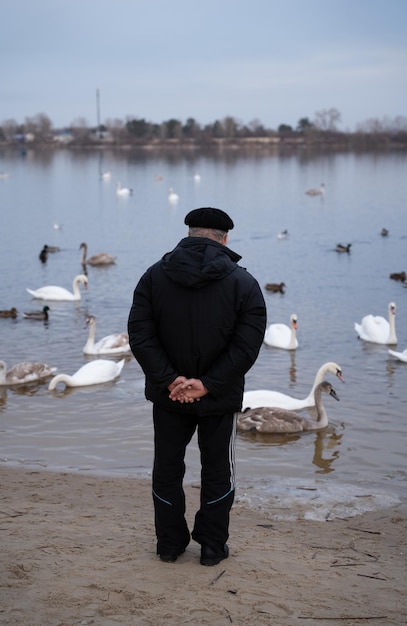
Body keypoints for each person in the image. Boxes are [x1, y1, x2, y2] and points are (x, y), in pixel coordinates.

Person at [128, 207, 266, 566]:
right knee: (219, 470)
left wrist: (170, 380)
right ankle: (211, 546)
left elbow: (141, 336)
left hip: (169, 395)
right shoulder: (244, 284)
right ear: (225, 238)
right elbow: (246, 348)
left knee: (168, 468)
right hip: (218, 398)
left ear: (189, 234)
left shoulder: (153, 277)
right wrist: (207, 385)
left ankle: (170, 545)